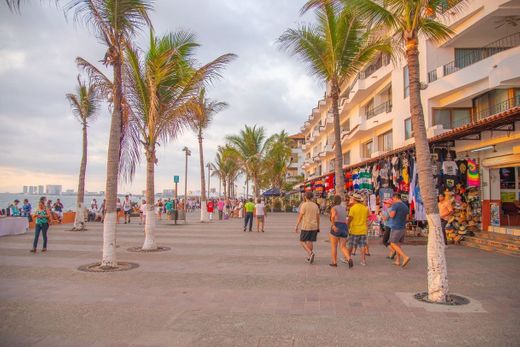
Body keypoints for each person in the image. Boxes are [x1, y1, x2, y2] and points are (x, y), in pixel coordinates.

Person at [294, 191, 320, 264]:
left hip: (306, 226)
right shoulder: (315, 205)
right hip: (314, 226)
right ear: (312, 197)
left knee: (302, 241)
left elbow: (300, 216)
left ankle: (310, 253)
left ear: (305, 197)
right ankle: (310, 257)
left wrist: (296, 225)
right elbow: (318, 217)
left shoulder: (304, 205)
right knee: (310, 241)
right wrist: (318, 226)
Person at [388, 193, 411, 268]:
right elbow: (407, 218)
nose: (392, 200)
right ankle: (397, 260)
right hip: (402, 227)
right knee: (398, 244)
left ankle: (405, 257)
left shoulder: (395, 205)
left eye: (393, 199)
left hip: (396, 227)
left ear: (395, 198)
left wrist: (388, 211)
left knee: (392, 243)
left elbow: (392, 215)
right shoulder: (405, 206)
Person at [329, 195, 352, 268]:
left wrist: (333, 225)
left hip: (337, 225)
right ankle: (349, 258)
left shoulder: (334, 208)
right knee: (343, 246)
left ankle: (334, 262)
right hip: (344, 226)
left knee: (334, 246)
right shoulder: (344, 208)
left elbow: (333, 216)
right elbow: (346, 218)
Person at [347, 193, 369, 266]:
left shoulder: (353, 208)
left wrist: (347, 226)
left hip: (355, 230)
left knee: (351, 245)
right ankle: (363, 260)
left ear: (354, 200)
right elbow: (367, 218)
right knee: (362, 245)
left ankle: (348, 257)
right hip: (363, 229)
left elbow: (350, 219)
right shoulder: (365, 208)